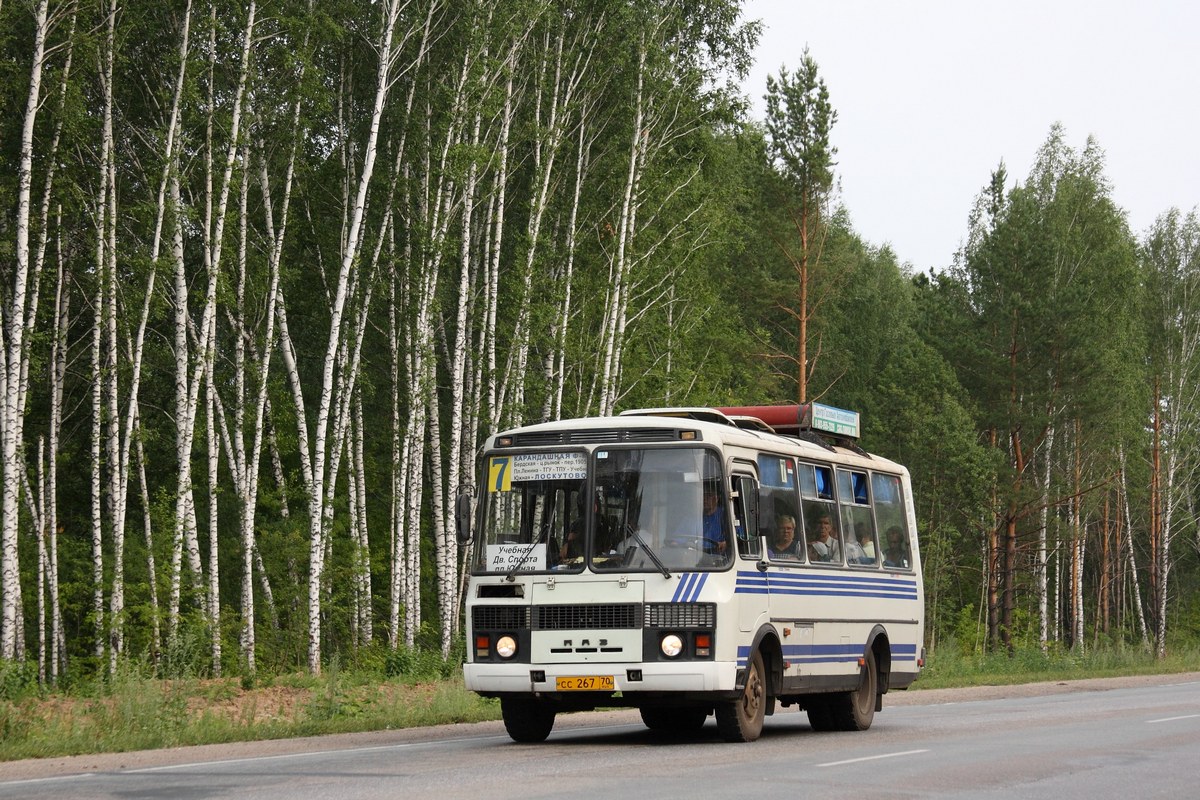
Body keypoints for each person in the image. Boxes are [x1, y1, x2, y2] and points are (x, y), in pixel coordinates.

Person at [701, 484, 727, 554]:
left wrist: (726, 543)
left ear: (717, 498)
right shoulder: (694, 516)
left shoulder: (726, 516)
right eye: (702, 495)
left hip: (720, 560)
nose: (704, 499)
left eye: (709, 495)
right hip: (695, 557)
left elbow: (739, 536)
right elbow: (680, 537)